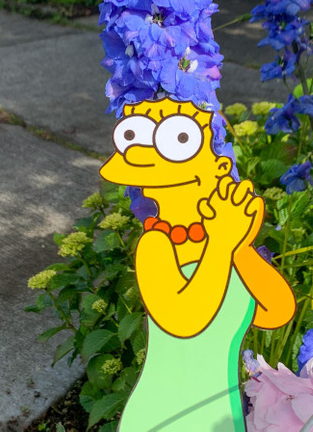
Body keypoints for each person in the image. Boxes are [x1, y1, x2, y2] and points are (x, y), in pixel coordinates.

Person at [100, 97, 296, 431]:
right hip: (164, 416)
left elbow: (275, 311)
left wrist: (240, 245)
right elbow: (184, 319)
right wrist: (221, 243)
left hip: (219, 417)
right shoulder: (156, 245)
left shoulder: (225, 241)